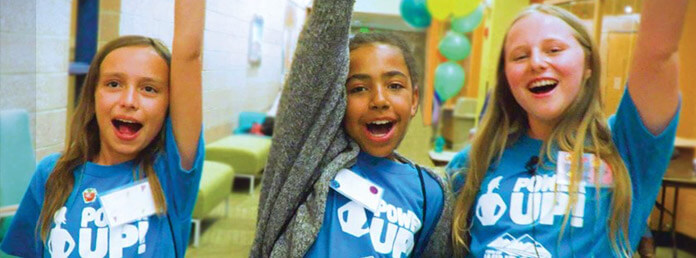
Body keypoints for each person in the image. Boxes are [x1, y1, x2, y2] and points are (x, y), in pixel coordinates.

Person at [446, 0, 687, 257]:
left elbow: (658, 52)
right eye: (520, 56)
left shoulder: (625, 146)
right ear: (506, 76)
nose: (536, 63)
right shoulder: (475, 161)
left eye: (554, 49)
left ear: (588, 65)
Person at [0, 0, 205, 257]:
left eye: (149, 89)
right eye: (114, 84)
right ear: (94, 95)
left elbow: (189, 55)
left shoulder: (169, 175)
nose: (129, 101)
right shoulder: (53, 173)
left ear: (168, 107)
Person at [251, 0, 452, 257]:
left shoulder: (431, 191)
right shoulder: (312, 161)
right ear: (339, 101)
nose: (379, 99)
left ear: (414, 100)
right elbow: (320, 51)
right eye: (358, 88)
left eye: (394, 85)